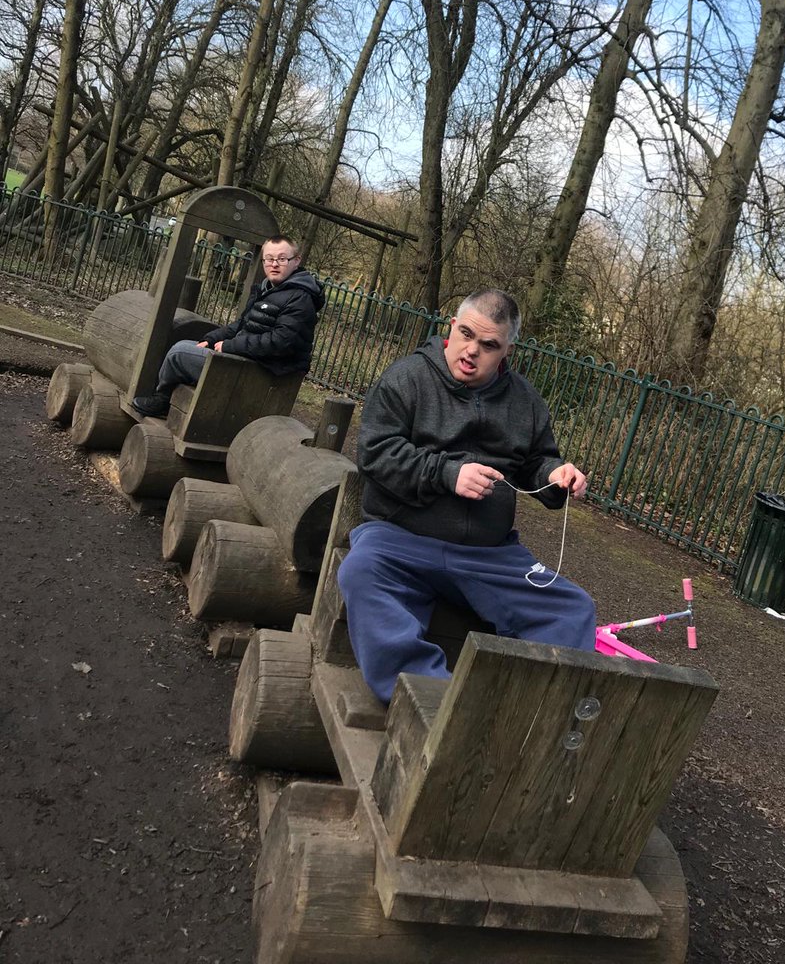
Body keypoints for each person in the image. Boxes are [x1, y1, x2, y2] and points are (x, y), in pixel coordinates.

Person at [338, 286, 597, 704]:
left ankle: (519, 712)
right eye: (465, 334)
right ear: (450, 328)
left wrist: (558, 475)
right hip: (399, 539)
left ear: (506, 352)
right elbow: (375, 453)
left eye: (488, 345)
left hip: (489, 555)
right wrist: (447, 473)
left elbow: (537, 463)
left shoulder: (526, 403)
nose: (471, 350)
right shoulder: (406, 378)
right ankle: (428, 700)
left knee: (571, 609)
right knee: (359, 573)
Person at [131, 235, 324, 417]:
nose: (274, 264)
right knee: (189, 346)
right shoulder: (268, 289)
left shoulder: (301, 298)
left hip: (265, 372)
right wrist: (210, 339)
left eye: (282, 259)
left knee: (179, 353)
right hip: (249, 360)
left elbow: (280, 342)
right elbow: (240, 325)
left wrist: (229, 346)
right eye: (269, 258)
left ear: (296, 261)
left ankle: (162, 401)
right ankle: (168, 399)